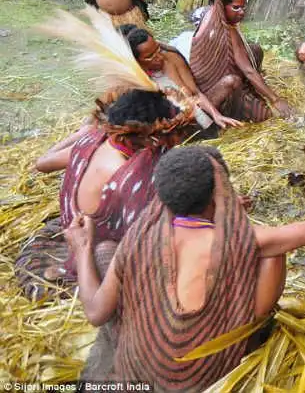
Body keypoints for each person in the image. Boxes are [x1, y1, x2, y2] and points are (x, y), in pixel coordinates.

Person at [65, 144, 305, 387]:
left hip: (139, 372)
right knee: (275, 252)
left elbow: (96, 313)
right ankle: (252, 340)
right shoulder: (244, 239)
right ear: (218, 197)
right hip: (203, 376)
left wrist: (81, 247)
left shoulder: (140, 236)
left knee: (103, 251)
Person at [17, 89, 194, 301]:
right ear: (148, 135)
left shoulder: (96, 139)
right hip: (97, 248)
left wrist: (82, 133)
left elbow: (42, 163)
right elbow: (149, 229)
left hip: (81, 227)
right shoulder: (126, 173)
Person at [190, 0, 292, 121]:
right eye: (236, 7)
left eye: (243, 7)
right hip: (212, 98)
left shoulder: (210, 14)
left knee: (255, 50)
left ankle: (249, 89)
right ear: (220, 4)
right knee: (268, 117)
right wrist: (275, 99)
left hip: (211, 90)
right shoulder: (224, 28)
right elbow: (248, 70)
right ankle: (239, 100)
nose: (242, 12)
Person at [120, 25, 242, 130]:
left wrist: (216, 115)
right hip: (174, 127)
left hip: (197, 114)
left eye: (158, 49)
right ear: (136, 60)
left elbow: (195, 93)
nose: (159, 57)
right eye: (150, 56)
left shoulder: (172, 58)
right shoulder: (135, 82)